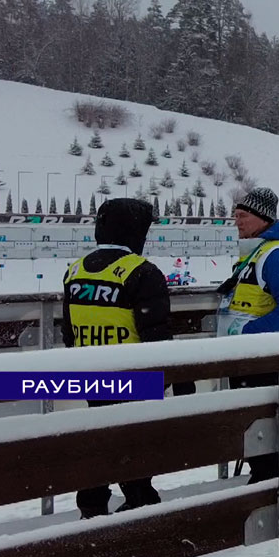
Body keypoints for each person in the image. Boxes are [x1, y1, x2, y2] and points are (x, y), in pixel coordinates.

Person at [63, 198, 193, 519]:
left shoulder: (75, 272)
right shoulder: (143, 273)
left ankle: (92, 506)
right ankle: (141, 506)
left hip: (92, 374)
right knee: (133, 446)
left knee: (101, 439)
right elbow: (157, 337)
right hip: (135, 380)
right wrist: (180, 383)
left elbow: (69, 335)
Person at [217, 187, 279, 483]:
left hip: (260, 357)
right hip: (243, 356)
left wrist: (249, 333)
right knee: (251, 422)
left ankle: (269, 479)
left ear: (263, 218)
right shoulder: (254, 252)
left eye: (243, 215)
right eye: (235, 215)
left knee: (263, 423)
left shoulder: (276, 254)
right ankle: (264, 475)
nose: (237, 222)